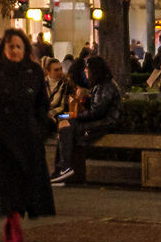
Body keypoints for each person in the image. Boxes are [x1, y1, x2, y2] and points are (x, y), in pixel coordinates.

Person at [0, 27, 54, 242]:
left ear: (25, 49)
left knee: (25, 186)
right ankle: (14, 224)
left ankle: (13, 220)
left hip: (29, 139)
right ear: (3, 49)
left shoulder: (34, 73)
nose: (15, 50)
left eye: (19, 46)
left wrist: (40, 129)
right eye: (10, 46)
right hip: (4, 140)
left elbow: (42, 105)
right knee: (8, 186)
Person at [51, 55, 119, 185]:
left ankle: (64, 168)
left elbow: (97, 112)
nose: (85, 72)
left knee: (66, 127)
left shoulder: (105, 86)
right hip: (99, 120)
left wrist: (74, 116)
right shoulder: (99, 86)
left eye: (87, 69)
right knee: (63, 120)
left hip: (105, 123)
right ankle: (61, 169)